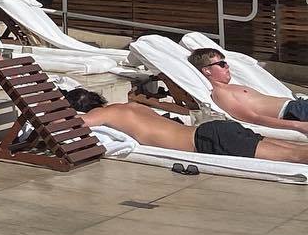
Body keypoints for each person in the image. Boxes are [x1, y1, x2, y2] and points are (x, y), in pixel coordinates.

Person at [62, 86, 308, 166]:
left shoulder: (106, 113)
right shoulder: (134, 107)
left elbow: (78, 123)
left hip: (206, 141)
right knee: (292, 149)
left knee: (295, 157)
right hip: (214, 130)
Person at [186, 45, 308, 134]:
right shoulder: (221, 93)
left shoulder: (231, 87)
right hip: (294, 112)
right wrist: (298, 125)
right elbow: (254, 118)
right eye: (222, 64)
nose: (227, 66)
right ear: (207, 70)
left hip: (298, 106)